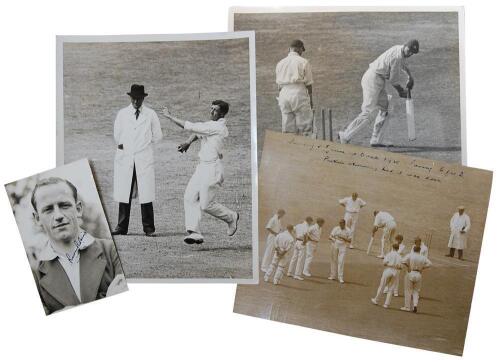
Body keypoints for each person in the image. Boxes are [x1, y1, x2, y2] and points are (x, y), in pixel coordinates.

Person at [31, 177, 127, 315]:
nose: (58, 215)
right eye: (48, 209)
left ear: (78, 209)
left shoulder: (112, 251)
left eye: (64, 205)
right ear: (37, 218)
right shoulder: (34, 275)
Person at [162, 100, 239, 244]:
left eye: (215, 110)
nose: (211, 112)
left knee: (206, 205)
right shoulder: (212, 125)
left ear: (222, 113)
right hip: (202, 167)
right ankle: (195, 233)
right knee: (189, 197)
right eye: (211, 108)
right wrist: (188, 143)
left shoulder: (217, 127)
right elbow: (198, 132)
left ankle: (231, 217)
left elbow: (190, 126)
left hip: (212, 170)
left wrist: (169, 116)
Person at [338, 40, 420, 146]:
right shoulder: (397, 56)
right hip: (372, 80)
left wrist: (410, 76)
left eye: (412, 53)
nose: (409, 54)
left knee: (387, 108)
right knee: (368, 112)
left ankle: (376, 139)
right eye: (409, 50)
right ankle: (345, 136)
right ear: (405, 46)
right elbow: (393, 80)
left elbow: (402, 64)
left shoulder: (400, 50)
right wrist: (400, 90)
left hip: (378, 80)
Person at [112, 84, 163, 236]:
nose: (136, 101)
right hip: (126, 157)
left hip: (143, 157)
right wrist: (125, 147)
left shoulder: (151, 114)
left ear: (143, 98)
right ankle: (122, 227)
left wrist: (144, 144)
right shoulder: (122, 114)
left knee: (146, 191)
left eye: (139, 99)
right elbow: (117, 134)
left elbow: (158, 135)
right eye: (134, 98)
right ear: (130, 98)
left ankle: (149, 228)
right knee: (124, 191)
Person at [275, 39, 314, 135]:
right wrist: (311, 101)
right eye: (302, 50)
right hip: (298, 93)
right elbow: (309, 84)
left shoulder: (280, 63)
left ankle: (289, 149)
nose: (302, 52)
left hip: (284, 94)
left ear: (290, 49)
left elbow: (279, 86)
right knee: (305, 128)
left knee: (288, 129)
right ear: (299, 49)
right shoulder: (304, 62)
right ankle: (306, 148)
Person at [400, 246, 432, 313]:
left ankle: (407, 307)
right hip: (418, 274)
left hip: (410, 273)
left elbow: (402, 260)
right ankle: (415, 305)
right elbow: (430, 264)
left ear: (413, 249)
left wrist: (408, 266)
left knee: (408, 290)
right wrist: (422, 268)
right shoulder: (423, 257)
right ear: (419, 250)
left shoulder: (410, 255)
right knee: (416, 291)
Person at [371, 243, 402, 308]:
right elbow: (400, 267)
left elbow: (384, 263)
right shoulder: (399, 256)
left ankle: (376, 300)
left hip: (388, 270)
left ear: (392, 247)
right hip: (395, 272)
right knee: (391, 289)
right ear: (398, 249)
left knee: (382, 286)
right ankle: (386, 304)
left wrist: (389, 264)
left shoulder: (389, 254)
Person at [328, 219, 352, 284]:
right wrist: (334, 239)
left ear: (344, 224)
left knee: (341, 261)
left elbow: (350, 240)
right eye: (340, 224)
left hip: (343, 246)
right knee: (333, 260)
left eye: (342, 224)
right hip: (335, 245)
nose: (340, 225)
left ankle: (340, 277)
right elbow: (330, 236)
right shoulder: (336, 228)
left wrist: (342, 237)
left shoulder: (348, 230)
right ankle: (332, 275)